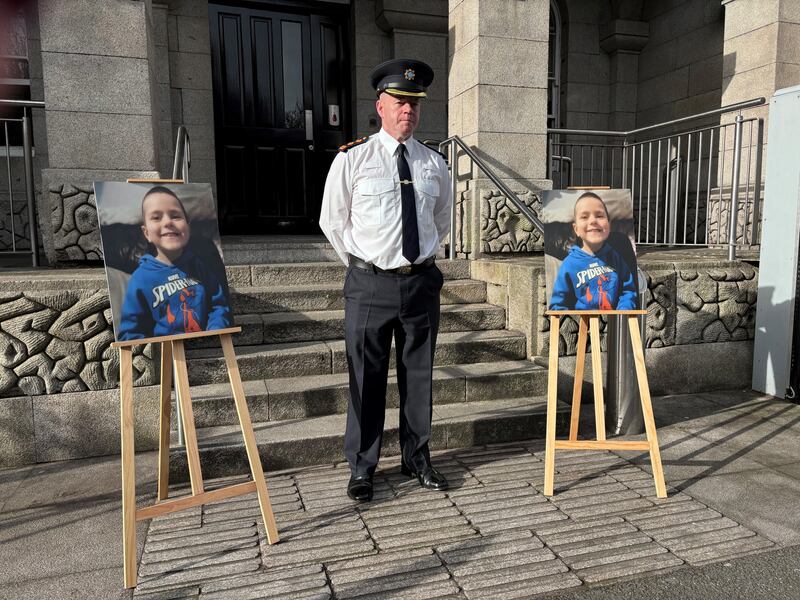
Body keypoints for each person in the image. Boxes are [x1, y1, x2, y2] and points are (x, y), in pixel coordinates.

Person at [319, 59, 452, 502]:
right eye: (399, 102)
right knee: (366, 377)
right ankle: (362, 466)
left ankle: (418, 457)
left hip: (420, 284)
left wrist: (415, 264)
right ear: (380, 105)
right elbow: (333, 222)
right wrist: (367, 266)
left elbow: (441, 220)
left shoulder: (434, 163)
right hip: (370, 284)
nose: (408, 111)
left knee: (419, 376)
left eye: (414, 103)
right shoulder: (353, 158)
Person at [116, 186, 233, 341]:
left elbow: (218, 306)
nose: (168, 222)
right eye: (156, 217)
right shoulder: (140, 279)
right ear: (146, 233)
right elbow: (131, 332)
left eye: (176, 216)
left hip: (207, 347)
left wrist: (215, 333)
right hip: (167, 357)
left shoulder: (201, 265)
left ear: (188, 226)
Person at [549, 192, 638, 311]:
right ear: (576, 229)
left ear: (609, 224)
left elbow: (628, 290)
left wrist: (624, 311)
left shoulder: (616, 256)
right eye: (584, 217)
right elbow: (557, 305)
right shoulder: (569, 264)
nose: (593, 221)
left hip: (613, 322)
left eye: (599, 216)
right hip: (583, 325)